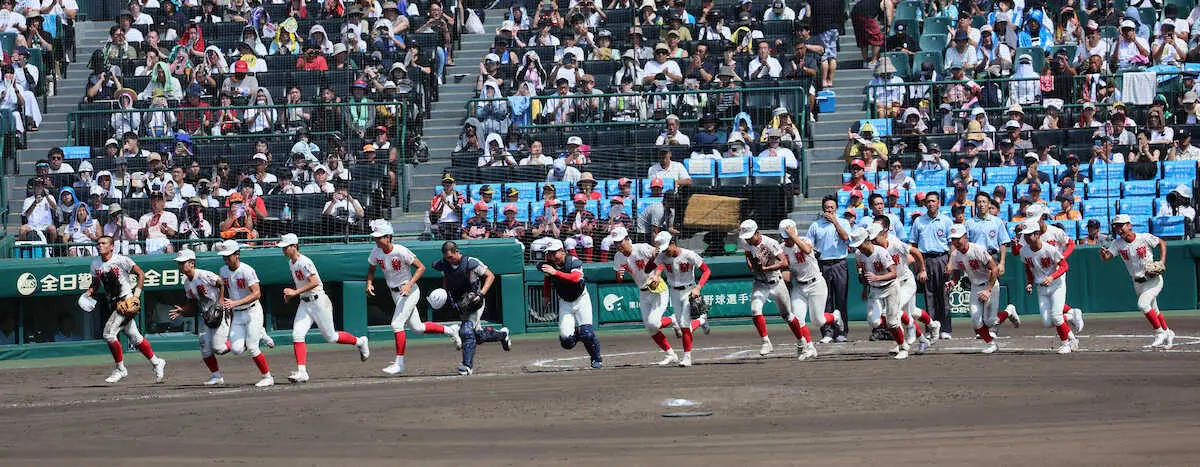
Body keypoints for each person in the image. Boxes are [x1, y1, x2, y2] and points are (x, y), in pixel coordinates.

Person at [366, 221, 460, 375]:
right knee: (418, 328)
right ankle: (451, 330)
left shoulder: (401, 250)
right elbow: (371, 269)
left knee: (396, 324)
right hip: (395, 293)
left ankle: (399, 363)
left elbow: (421, 267)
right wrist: (369, 283)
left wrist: (409, 284)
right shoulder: (376, 252)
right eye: (375, 237)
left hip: (409, 291)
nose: (376, 240)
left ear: (388, 237)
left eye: (379, 237)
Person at [171, 248, 273, 387]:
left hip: (220, 312)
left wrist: (220, 301)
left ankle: (257, 340)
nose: (180, 266)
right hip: (208, 314)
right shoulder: (187, 283)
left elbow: (220, 283)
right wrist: (182, 310)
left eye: (183, 263)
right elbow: (192, 301)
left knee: (219, 348)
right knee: (205, 346)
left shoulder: (204, 275)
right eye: (179, 263)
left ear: (192, 263)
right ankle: (216, 376)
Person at [279, 233, 371, 383]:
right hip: (305, 303)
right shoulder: (291, 263)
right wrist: (292, 294)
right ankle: (302, 372)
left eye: (285, 247)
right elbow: (302, 283)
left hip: (318, 301)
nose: (283, 250)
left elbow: (314, 281)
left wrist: (294, 292)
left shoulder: (304, 262)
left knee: (331, 337)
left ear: (294, 246)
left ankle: (360, 342)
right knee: (297, 335)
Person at [84, 236, 166, 384]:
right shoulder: (95, 264)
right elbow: (95, 283)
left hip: (126, 301)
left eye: (103, 243)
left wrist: (136, 296)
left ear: (111, 247)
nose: (100, 246)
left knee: (109, 334)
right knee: (135, 336)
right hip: (113, 303)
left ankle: (120, 369)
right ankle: (156, 362)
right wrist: (88, 292)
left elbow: (141, 274)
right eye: (98, 243)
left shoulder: (121, 260)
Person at [609, 226, 686, 365]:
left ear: (627, 239)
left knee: (653, 323)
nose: (618, 245)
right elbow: (618, 277)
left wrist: (656, 275)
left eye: (620, 241)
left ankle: (673, 320)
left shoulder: (642, 248)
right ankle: (671, 354)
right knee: (650, 327)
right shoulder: (618, 257)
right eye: (615, 242)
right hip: (643, 292)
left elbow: (661, 258)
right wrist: (619, 274)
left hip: (658, 289)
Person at [431, 241, 510, 376]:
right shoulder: (444, 265)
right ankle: (503, 335)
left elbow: (490, 276)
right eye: (446, 258)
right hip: (460, 302)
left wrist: (481, 294)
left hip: (474, 301)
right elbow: (446, 279)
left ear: (457, 251)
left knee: (467, 331)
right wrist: (445, 293)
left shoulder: (470, 263)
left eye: (451, 257)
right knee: (477, 335)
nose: (449, 260)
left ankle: (467, 366)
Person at [1100, 215, 1175, 349]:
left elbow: (1161, 242)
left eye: (1121, 225)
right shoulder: (1117, 244)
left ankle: (1159, 333)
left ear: (1129, 225)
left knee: (1143, 304)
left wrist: (1162, 261)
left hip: (1153, 280)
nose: (1119, 229)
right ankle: (1168, 333)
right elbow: (1107, 258)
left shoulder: (1143, 238)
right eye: (1116, 226)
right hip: (1138, 283)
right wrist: (1103, 254)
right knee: (1155, 310)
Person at [947, 224, 1020, 354]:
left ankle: (1009, 311)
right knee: (976, 322)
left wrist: (988, 290)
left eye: (958, 238)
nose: (955, 242)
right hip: (975, 286)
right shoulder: (956, 255)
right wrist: (952, 282)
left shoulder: (978, 249)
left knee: (990, 321)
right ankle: (991, 344)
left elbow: (994, 268)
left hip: (989, 284)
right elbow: (957, 272)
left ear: (965, 237)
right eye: (953, 239)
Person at [738, 219, 805, 357]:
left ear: (757, 233)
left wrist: (766, 267)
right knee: (755, 309)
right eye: (746, 238)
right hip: (760, 282)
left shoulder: (770, 243)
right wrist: (755, 265)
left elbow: (784, 262)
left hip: (776, 282)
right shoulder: (746, 243)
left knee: (788, 316)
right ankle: (765, 341)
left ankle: (801, 341)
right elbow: (749, 261)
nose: (748, 240)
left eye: (750, 237)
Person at [874, 215, 940, 350]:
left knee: (893, 311)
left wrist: (922, 270)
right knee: (912, 312)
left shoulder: (894, 242)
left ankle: (903, 344)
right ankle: (931, 328)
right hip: (894, 284)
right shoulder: (875, 246)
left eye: (877, 227)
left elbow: (914, 252)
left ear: (885, 229)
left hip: (906, 281)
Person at [539, 238, 604, 369]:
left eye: (554, 253)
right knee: (566, 342)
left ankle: (596, 358)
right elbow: (547, 280)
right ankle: (579, 334)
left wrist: (556, 272)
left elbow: (575, 278)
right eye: (549, 253)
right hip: (565, 302)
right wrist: (546, 296)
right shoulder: (549, 265)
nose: (552, 256)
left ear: (562, 251)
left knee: (588, 334)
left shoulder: (573, 261)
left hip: (581, 299)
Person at [652, 232, 713, 367]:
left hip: (688, 291)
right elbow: (654, 266)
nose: (665, 252)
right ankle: (702, 320)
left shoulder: (689, 254)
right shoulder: (663, 256)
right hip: (674, 291)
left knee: (685, 326)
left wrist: (698, 288)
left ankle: (687, 357)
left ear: (673, 243)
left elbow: (707, 271)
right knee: (683, 325)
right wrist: (656, 274)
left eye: (667, 249)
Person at [779, 219, 837, 360]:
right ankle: (809, 347)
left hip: (816, 284)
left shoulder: (804, 240)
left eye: (789, 237)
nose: (787, 241)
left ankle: (835, 316)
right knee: (798, 319)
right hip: (799, 286)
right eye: (785, 238)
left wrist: (793, 235)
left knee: (817, 321)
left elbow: (807, 250)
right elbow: (785, 271)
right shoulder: (781, 248)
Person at [1018, 220, 1079, 354]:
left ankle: (1065, 344)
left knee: (1056, 316)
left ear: (1037, 234)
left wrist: (1052, 276)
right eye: (1025, 235)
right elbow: (1028, 267)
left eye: (1030, 234)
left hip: (1056, 285)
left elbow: (1064, 266)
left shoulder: (1049, 249)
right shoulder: (1024, 251)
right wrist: (1029, 282)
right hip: (1041, 287)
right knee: (1047, 322)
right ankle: (1071, 318)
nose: (1027, 238)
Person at [850, 225, 910, 359]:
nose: (858, 248)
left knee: (892, 322)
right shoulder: (859, 255)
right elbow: (863, 273)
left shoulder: (881, 252)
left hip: (890, 287)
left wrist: (877, 277)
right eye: (857, 246)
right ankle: (899, 318)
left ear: (867, 240)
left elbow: (893, 273)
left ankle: (903, 347)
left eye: (860, 245)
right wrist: (864, 286)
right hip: (875, 289)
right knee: (873, 321)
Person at [805, 195, 851, 341]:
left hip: (839, 263)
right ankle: (827, 332)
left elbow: (846, 238)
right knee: (825, 299)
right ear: (823, 209)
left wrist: (835, 222)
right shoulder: (816, 225)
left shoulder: (844, 222)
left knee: (841, 299)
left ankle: (841, 332)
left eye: (832, 207)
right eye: (827, 208)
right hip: (823, 264)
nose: (829, 210)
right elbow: (808, 245)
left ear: (836, 208)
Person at [909, 191, 953, 339]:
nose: (931, 204)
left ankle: (945, 329)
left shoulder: (946, 221)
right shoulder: (919, 221)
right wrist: (919, 267)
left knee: (944, 296)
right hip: (925, 260)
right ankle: (931, 328)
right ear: (925, 203)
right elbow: (913, 244)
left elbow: (952, 243)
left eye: (933, 201)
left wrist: (951, 261)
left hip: (942, 258)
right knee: (929, 297)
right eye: (928, 201)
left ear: (938, 203)